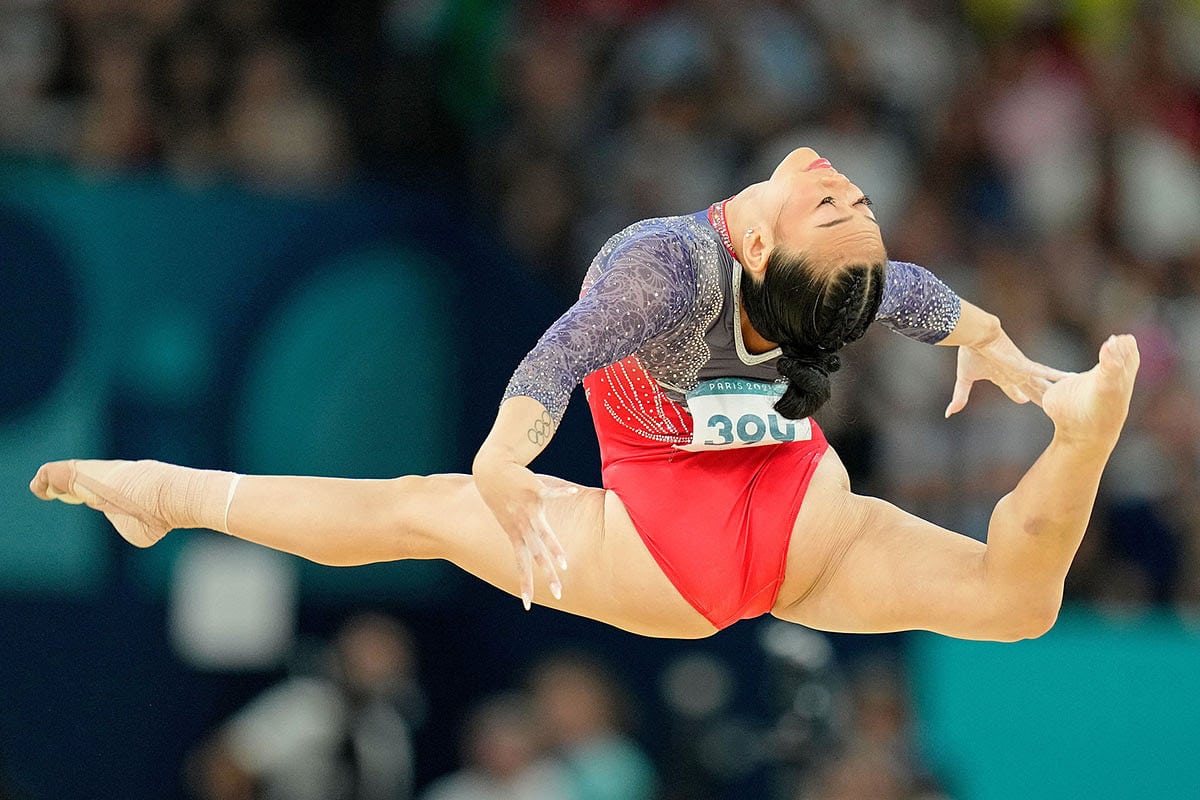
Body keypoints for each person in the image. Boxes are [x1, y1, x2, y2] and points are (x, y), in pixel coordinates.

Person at [31, 146, 1140, 642]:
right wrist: (1006, 352)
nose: (831, 174)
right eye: (847, 194)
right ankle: (1081, 442)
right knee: (1017, 599)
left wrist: (502, 463)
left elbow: (553, 360)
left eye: (833, 201)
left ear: (756, 240)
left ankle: (160, 493)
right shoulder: (805, 280)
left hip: (675, 547)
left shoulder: (677, 264)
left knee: (408, 511)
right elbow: (901, 289)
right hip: (805, 504)